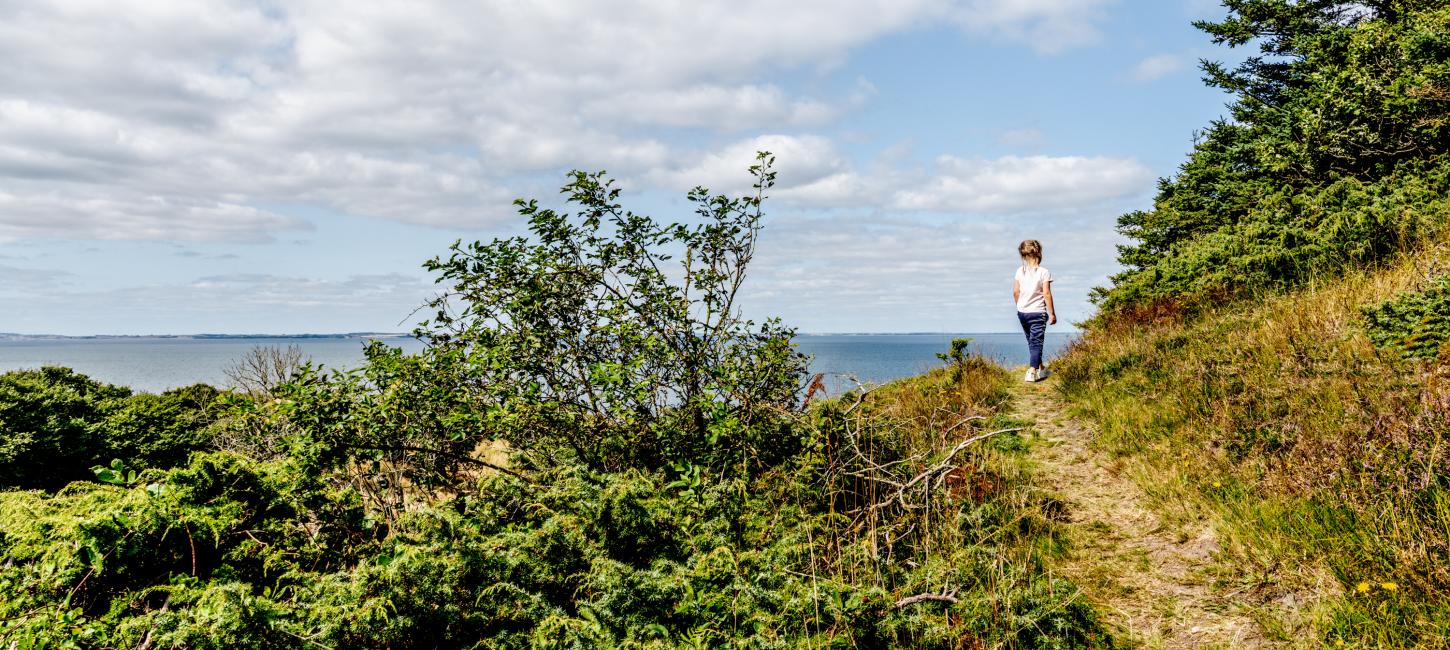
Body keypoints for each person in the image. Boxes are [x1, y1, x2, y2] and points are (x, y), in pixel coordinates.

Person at [1013, 239, 1056, 382]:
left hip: (1022, 312)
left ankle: (1041, 369)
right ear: (1039, 252)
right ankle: (1032, 371)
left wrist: (1020, 306)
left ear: (1023, 255)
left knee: (1032, 341)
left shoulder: (1020, 271)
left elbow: (1015, 292)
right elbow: (1047, 294)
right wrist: (1052, 314)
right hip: (1038, 312)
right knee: (1036, 342)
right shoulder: (1044, 272)